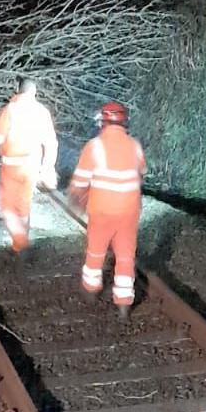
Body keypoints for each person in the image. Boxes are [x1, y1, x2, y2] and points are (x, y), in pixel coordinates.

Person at [68, 101, 145, 319]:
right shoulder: (135, 146)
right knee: (125, 256)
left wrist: (76, 196)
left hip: (102, 209)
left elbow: (81, 179)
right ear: (124, 122)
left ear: (102, 121)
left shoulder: (95, 146)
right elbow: (141, 172)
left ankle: (92, 290)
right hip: (129, 210)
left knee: (96, 251)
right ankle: (123, 303)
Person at [0, 77, 58, 253]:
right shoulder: (42, 111)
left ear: (18, 91)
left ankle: (20, 243)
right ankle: (22, 240)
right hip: (32, 165)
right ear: (34, 92)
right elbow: (51, 143)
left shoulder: (11, 109)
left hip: (12, 165)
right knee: (24, 204)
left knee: (7, 205)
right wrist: (47, 168)